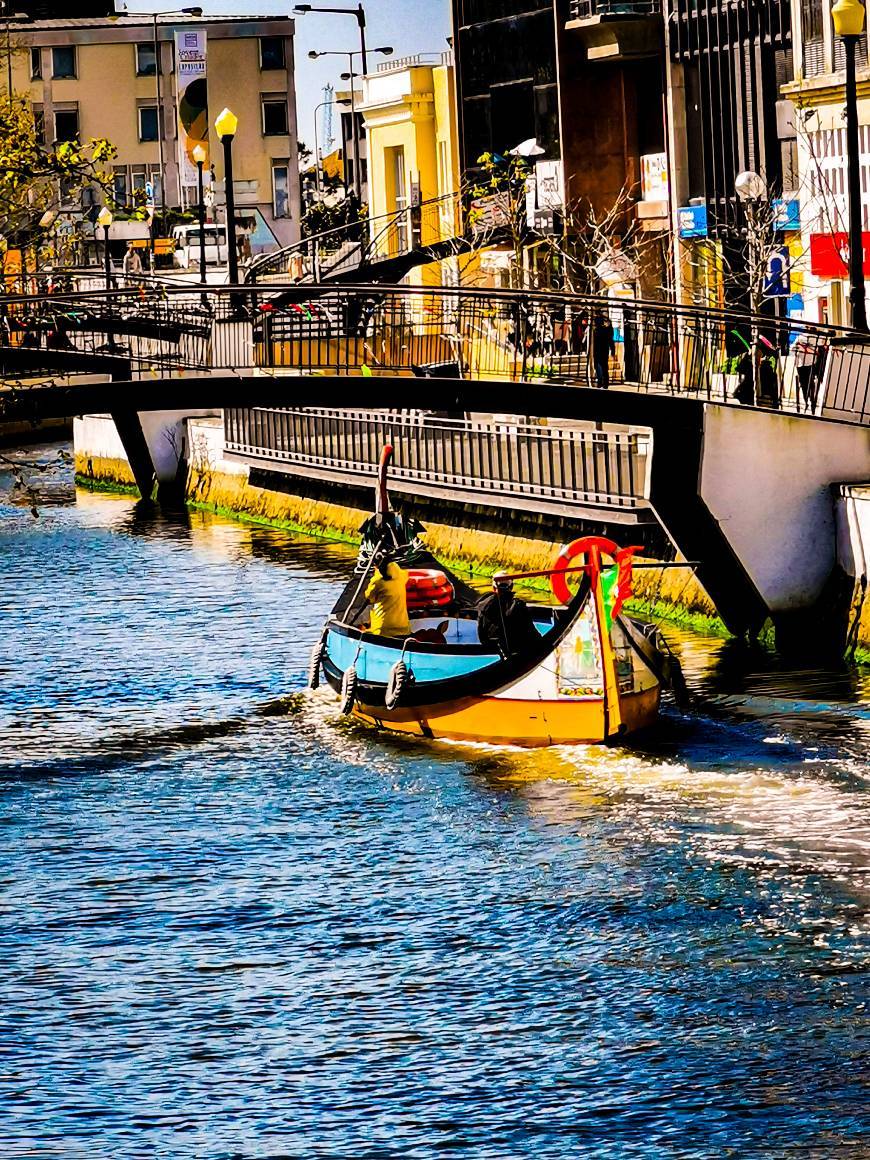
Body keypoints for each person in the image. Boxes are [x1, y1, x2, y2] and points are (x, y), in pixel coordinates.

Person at [477, 572, 540, 657]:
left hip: (495, 654)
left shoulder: (482, 606)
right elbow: (532, 634)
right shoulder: (518, 606)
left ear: (493, 588)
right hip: (519, 654)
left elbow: (482, 637)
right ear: (511, 587)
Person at [364, 550, 410, 638]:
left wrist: (377, 574)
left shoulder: (377, 582)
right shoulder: (401, 576)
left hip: (383, 629)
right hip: (403, 628)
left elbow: (369, 598)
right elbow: (403, 573)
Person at [592, 311, 615, 388]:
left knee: (599, 366)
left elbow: (610, 340)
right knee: (604, 367)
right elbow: (610, 340)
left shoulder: (597, 331)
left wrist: (612, 350)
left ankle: (600, 382)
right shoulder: (606, 330)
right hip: (604, 350)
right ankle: (605, 383)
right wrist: (613, 350)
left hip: (598, 350)